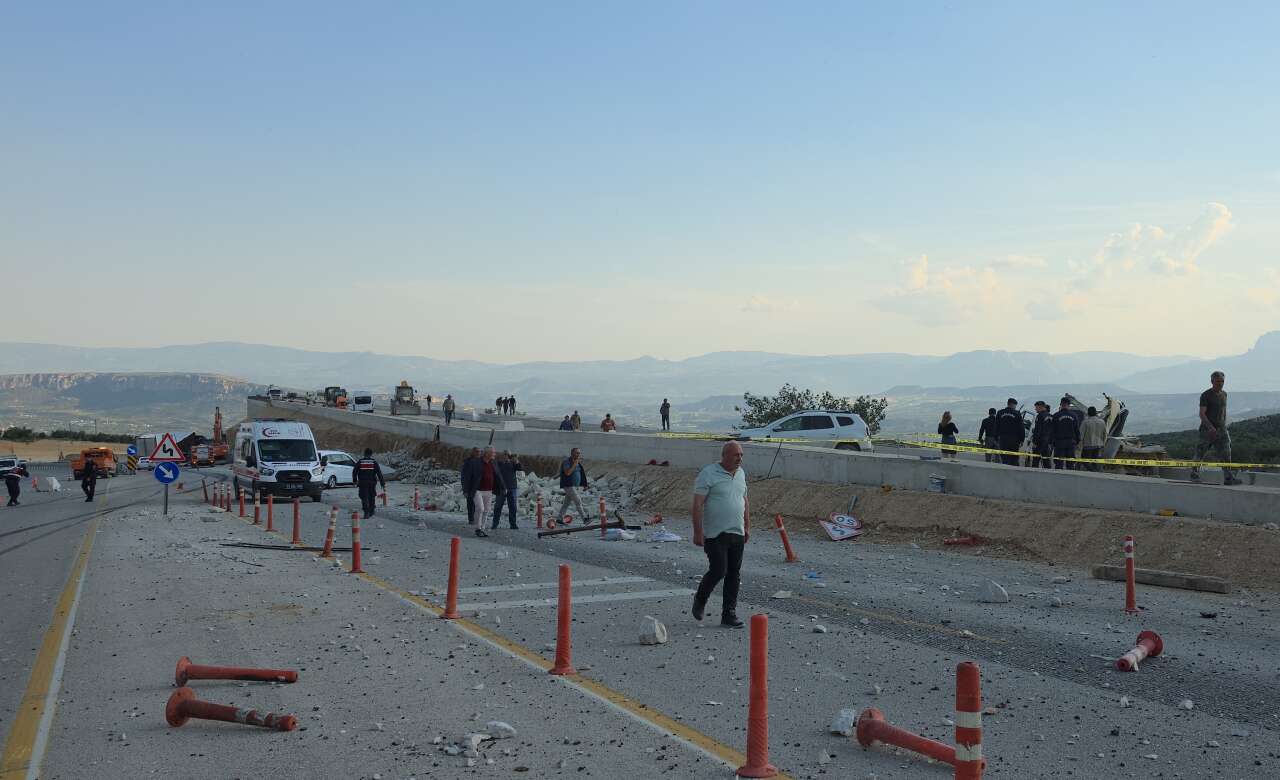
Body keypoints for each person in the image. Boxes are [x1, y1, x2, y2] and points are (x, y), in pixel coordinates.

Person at [691, 441, 749, 629]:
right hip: (716, 534)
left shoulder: (741, 474)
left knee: (734, 574)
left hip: (737, 532)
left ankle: (728, 614)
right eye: (735, 455)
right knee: (719, 570)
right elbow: (698, 504)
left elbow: (744, 501)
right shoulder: (708, 473)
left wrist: (747, 526)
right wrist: (698, 531)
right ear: (724, 455)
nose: (739, 458)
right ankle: (700, 599)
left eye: (741, 455)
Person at [1192, 371, 1241, 485]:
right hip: (1207, 430)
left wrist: (1223, 425)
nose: (1220, 384)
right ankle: (1194, 475)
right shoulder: (1206, 395)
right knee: (1200, 452)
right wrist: (1210, 428)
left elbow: (1223, 412)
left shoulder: (1224, 394)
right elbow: (1202, 414)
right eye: (1218, 381)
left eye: (1222, 381)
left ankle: (1228, 478)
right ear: (1212, 381)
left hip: (1222, 429)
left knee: (1226, 453)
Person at [463, 447, 505, 537]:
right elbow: (467, 476)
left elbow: (498, 475)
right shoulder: (475, 462)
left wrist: (503, 487)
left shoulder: (493, 463)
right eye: (493, 452)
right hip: (477, 490)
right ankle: (478, 528)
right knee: (480, 508)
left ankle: (482, 528)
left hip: (489, 490)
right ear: (487, 453)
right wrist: (465, 490)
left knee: (486, 510)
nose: (495, 454)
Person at [491, 450, 524, 530]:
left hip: (512, 488)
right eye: (505, 454)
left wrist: (516, 461)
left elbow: (520, 468)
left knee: (512, 507)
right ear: (502, 455)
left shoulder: (513, 463)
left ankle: (513, 524)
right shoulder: (499, 463)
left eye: (508, 455)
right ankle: (495, 524)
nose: (506, 456)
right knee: (498, 506)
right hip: (501, 488)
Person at [557, 447, 590, 523]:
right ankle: (584, 519)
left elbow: (581, 474)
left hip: (575, 486)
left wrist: (585, 484)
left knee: (566, 503)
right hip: (568, 485)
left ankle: (559, 519)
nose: (579, 454)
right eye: (577, 453)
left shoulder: (578, 463)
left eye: (579, 453)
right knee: (578, 501)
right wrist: (574, 464)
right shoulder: (567, 462)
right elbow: (567, 473)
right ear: (572, 453)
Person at [353, 448, 386, 518]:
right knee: (372, 496)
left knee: (364, 497)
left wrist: (355, 481)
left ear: (364, 454)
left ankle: (366, 513)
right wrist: (382, 483)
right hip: (372, 483)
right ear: (371, 454)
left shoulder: (360, 462)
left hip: (363, 483)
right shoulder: (374, 462)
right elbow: (379, 473)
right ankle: (372, 511)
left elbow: (354, 472)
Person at [1051, 397, 1081, 470]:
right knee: (1070, 463)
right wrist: (1078, 441)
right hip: (1071, 442)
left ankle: (1058, 479)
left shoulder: (1056, 415)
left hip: (1059, 442)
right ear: (1069, 405)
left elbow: (1052, 430)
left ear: (1061, 405)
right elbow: (1077, 429)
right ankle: (1070, 479)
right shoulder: (1074, 416)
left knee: (1058, 463)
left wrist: (1052, 442)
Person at [994, 398, 1025, 466]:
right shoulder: (1017, 413)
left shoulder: (1000, 412)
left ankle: (1005, 471)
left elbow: (996, 426)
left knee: (1004, 457)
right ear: (1013, 404)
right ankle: (1015, 472)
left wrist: (995, 438)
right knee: (1014, 457)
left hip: (1003, 439)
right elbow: (1021, 428)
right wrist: (1022, 440)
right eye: (1015, 405)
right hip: (1014, 440)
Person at [460, 447, 482, 525]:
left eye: (479, 452)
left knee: (479, 505)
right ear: (473, 452)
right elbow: (464, 477)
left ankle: (477, 518)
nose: (478, 453)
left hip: (479, 486)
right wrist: (465, 489)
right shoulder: (468, 462)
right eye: (476, 451)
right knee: (470, 503)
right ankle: (471, 519)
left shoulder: (481, 461)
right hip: (470, 487)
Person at [1080, 406, 1107, 471]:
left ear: (1088, 413)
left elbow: (1081, 436)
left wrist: (1079, 446)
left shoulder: (1085, 422)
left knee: (1084, 461)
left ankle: (1093, 471)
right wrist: (1103, 444)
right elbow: (1105, 434)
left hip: (1088, 446)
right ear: (1096, 413)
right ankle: (1095, 473)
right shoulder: (1102, 422)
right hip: (1098, 446)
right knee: (1094, 461)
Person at [1031, 401, 1054, 469]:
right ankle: (1048, 474)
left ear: (1040, 407)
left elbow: (1037, 430)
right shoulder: (1051, 416)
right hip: (1048, 442)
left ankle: (1034, 474)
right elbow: (1053, 430)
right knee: (1046, 460)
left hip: (1040, 441)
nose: (1035, 409)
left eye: (1036, 407)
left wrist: (1035, 442)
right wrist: (1051, 441)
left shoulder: (1040, 416)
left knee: (1035, 459)